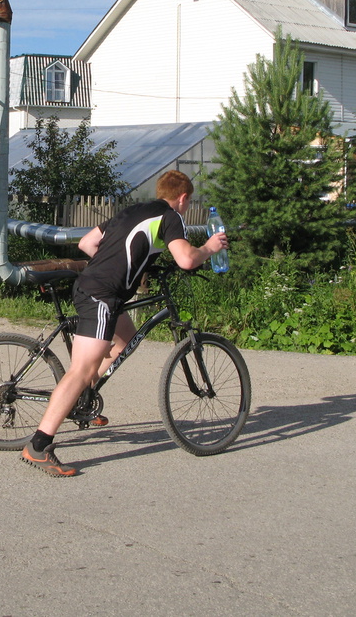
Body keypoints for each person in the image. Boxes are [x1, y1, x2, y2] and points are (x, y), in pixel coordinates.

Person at [20, 170, 229, 477]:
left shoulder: (134, 211)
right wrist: (211, 247)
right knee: (82, 369)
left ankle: (83, 401)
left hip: (104, 291)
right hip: (101, 296)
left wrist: (123, 266)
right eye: (188, 201)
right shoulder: (170, 216)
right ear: (183, 198)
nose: (186, 206)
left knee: (124, 342)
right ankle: (39, 445)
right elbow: (186, 259)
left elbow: (88, 243)